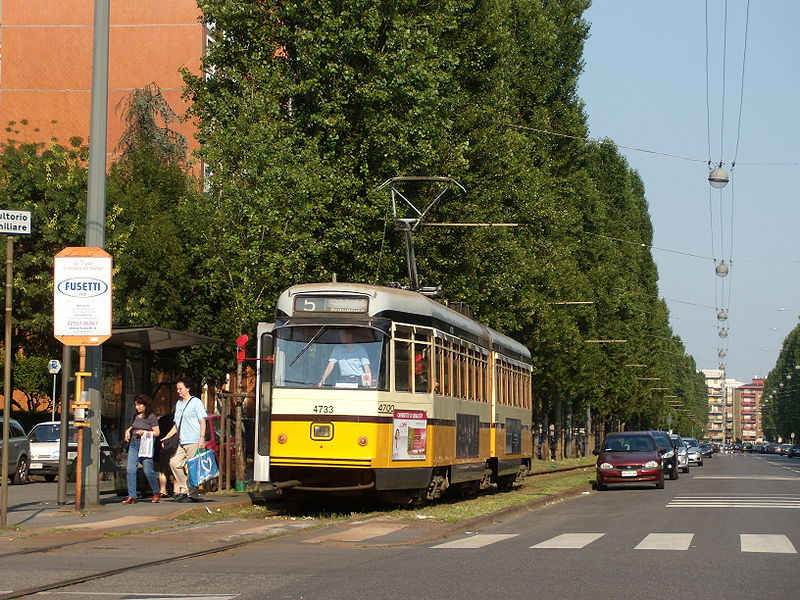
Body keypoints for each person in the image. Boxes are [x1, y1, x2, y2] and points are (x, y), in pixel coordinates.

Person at [161, 378, 207, 503]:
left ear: (188, 388)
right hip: (182, 440)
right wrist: (167, 436)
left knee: (192, 468)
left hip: (194, 440)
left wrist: (202, 438)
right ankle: (184, 489)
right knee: (174, 463)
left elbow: (202, 421)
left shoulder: (196, 402)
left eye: (180, 388)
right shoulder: (179, 404)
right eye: (177, 389)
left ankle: (193, 495)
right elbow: (177, 425)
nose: (178, 391)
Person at [122, 394, 161, 504]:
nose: (137, 407)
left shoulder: (151, 417)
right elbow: (134, 425)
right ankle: (132, 495)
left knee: (148, 470)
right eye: (136, 405)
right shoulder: (136, 415)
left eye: (139, 405)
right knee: (130, 469)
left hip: (145, 445)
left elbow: (157, 433)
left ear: (145, 405)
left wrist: (144, 432)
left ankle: (156, 492)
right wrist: (128, 430)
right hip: (134, 444)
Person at [156, 411, 175, 497]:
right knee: (175, 468)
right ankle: (176, 490)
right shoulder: (177, 420)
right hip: (175, 445)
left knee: (163, 469)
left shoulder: (163, 420)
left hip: (163, 445)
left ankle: (163, 490)